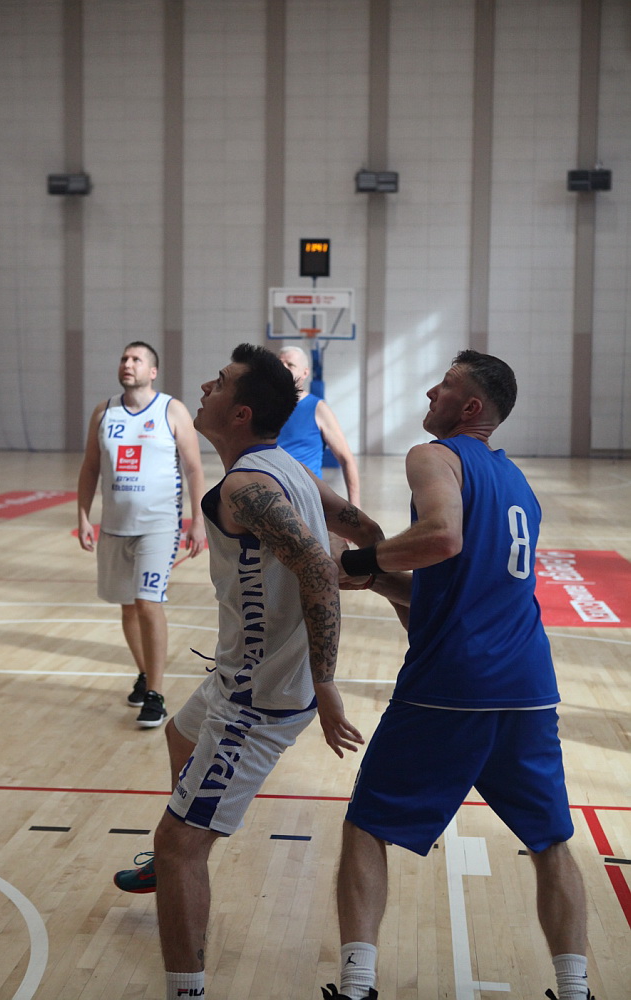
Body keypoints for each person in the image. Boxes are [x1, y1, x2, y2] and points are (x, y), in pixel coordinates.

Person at [112, 343, 382, 1000]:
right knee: (180, 732)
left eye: (220, 381)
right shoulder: (286, 466)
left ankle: (186, 980)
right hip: (237, 676)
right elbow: (361, 529)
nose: (206, 386)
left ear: (241, 412)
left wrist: (325, 682)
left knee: (179, 844)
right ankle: (182, 840)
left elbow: (316, 566)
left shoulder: (246, 487)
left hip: (258, 700)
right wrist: (384, 580)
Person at [327, 350, 593, 1000]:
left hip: (451, 685)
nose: (430, 391)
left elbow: (442, 536)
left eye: (444, 385)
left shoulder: (435, 456)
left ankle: (357, 986)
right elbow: (458, 593)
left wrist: (357, 560)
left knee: (367, 824)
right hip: (528, 686)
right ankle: (576, 988)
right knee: (552, 841)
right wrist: (378, 581)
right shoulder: (518, 484)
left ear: (470, 407)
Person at [77, 341, 207, 728]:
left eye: (136, 359)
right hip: (114, 526)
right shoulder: (104, 412)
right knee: (128, 607)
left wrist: (197, 520)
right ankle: (145, 674)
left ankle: (156, 694)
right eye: (124, 358)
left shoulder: (172, 410)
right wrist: (83, 515)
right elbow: (89, 467)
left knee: (148, 602)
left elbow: (194, 468)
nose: (127, 363)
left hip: (159, 526)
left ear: (152, 371)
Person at [277, 344, 361, 507]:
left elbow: (347, 459)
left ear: (305, 372)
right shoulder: (261, 407)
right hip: (270, 496)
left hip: (305, 498)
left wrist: (355, 507)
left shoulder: (318, 409)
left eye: (290, 365)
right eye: (279, 364)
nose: (283, 368)